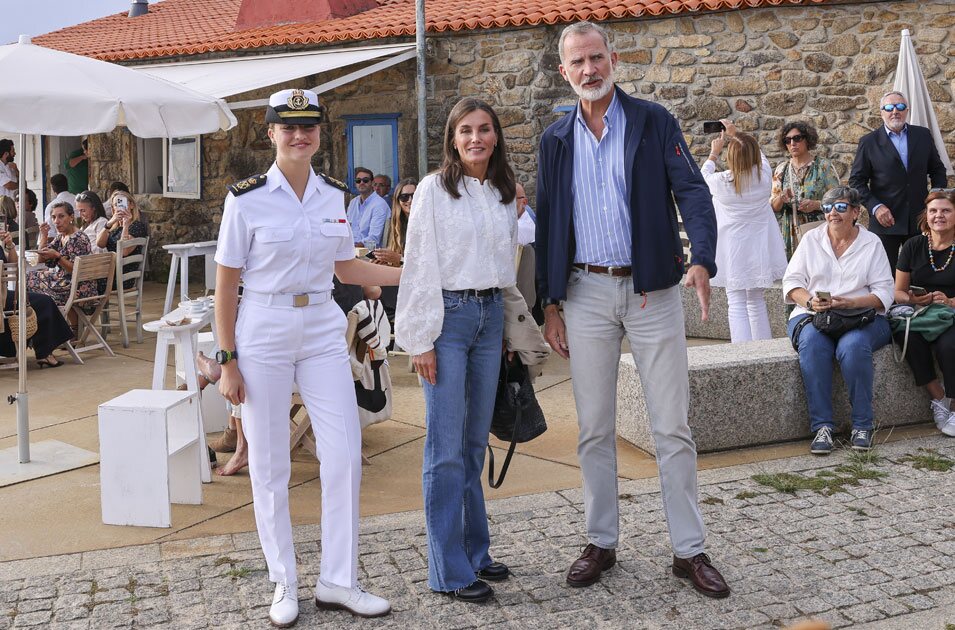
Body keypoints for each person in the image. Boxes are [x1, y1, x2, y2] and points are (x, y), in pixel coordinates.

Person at [535, 21, 729, 597]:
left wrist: (702, 260)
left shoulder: (652, 121)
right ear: (564, 72)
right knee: (594, 428)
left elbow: (692, 191)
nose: (590, 70)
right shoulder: (555, 139)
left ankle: (689, 551)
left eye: (597, 58)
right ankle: (600, 541)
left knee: (672, 426)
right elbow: (547, 223)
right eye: (578, 63)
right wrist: (549, 301)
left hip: (652, 291)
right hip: (584, 294)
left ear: (612, 58)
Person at [214, 88, 401, 627]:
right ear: (270, 132)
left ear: (319, 133)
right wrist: (227, 360)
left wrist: (408, 272)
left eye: (309, 127)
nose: (300, 136)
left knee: (342, 453)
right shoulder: (245, 198)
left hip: (321, 325)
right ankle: (283, 582)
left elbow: (346, 269)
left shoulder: (332, 194)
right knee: (270, 461)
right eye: (288, 127)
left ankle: (337, 580)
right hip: (265, 328)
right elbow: (227, 287)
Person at [395, 96, 517, 604]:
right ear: (451, 137)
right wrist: (420, 338)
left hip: (490, 319)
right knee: (444, 450)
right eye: (465, 130)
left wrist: (509, 330)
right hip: (448, 319)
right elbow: (419, 261)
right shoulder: (433, 190)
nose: (475, 138)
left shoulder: (502, 192)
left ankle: (475, 550)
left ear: (496, 136)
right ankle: (448, 569)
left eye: (484, 129)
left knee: (472, 445)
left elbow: (507, 262)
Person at [783, 186, 894, 455]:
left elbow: (884, 293)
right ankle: (822, 427)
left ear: (856, 212)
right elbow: (792, 283)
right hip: (814, 315)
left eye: (841, 207)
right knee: (813, 345)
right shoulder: (811, 240)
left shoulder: (871, 243)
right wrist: (810, 302)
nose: (833, 213)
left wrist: (850, 302)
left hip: (863, 316)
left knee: (853, 347)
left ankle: (862, 425)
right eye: (828, 207)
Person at [702, 120, 787, 343]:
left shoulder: (721, 182)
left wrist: (714, 153)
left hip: (732, 247)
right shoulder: (764, 176)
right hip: (758, 245)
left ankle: (741, 350)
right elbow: (761, 155)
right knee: (756, 298)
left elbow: (703, 176)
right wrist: (736, 134)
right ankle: (762, 347)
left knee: (736, 299)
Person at [849, 91, 948, 271]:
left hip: (920, 220)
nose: (895, 111)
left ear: (907, 110)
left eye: (900, 106)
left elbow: (938, 170)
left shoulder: (923, 135)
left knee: (921, 274)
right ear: (881, 112)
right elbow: (856, 182)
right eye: (889, 107)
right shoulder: (868, 142)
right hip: (885, 222)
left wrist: (935, 196)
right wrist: (876, 207)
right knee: (883, 275)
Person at [892, 191, 955, 435]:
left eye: (946, 210)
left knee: (948, 346)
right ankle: (938, 399)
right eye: (933, 211)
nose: (939, 215)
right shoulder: (913, 245)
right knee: (908, 338)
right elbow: (898, 291)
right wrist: (913, 298)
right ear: (926, 216)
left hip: (950, 313)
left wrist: (950, 301)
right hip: (921, 313)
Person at [0, 228, 73, 368]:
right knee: (42, 302)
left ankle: (45, 352)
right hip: (2, 297)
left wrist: (10, 245)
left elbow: (14, 266)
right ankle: (45, 353)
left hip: (3, 294)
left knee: (42, 301)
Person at [770, 121, 840, 258]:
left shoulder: (823, 167)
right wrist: (781, 198)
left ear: (807, 139)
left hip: (818, 229)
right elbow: (773, 206)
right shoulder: (782, 169)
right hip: (791, 232)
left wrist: (816, 205)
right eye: (787, 140)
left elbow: (839, 200)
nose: (792, 143)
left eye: (797, 138)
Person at [27, 202, 97, 310]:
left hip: (79, 288)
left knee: (31, 282)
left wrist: (58, 257)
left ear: (71, 217)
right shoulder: (61, 237)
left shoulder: (78, 239)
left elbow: (77, 271)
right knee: (28, 278)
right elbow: (41, 260)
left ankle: (62, 323)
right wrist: (44, 236)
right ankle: (60, 322)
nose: (56, 221)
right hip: (64, 284)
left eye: (61, 216)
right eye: (53, 217)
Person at [97, 191, 147, 290]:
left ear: (131, 205)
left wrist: (126, 225)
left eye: (122, 203)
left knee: (86, 282)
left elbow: (124, 251)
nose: (119, 207)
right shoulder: (113, 228)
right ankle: (93, 305)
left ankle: (92, 304)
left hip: (123, 276)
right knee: (82, 279)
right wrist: (109, 223)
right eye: (116, 205)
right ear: (113, 208)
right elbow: (100, 244)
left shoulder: (137, 226)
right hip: (110, 272)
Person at [370, 178, 416, 267]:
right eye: (404, 197)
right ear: (398, 200)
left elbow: (426, 264)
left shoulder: (427, 224)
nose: (410, 200)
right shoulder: (395, 224)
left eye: (415, 196)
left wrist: (400, 259)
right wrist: (385, 260)